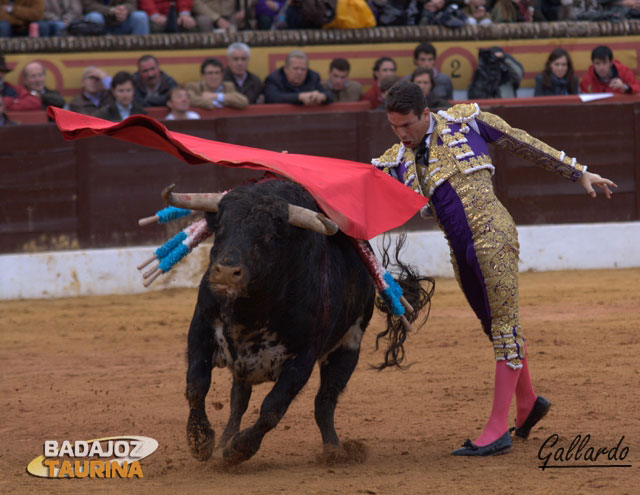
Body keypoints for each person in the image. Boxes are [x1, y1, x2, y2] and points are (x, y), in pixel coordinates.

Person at [374, 81, 616, 456]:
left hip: (494, 237)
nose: (401, 134)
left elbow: (521, 140)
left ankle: (497, 429)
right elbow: (362, 186)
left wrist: (576, 171)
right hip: (459, 249)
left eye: (406, 125)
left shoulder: (465, 121)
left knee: (505, 328)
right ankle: (529, 402)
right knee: (494, 326)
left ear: (425, 114)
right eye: (393, 127)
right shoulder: (397, 159)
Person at [263, 50, 332, 105]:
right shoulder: (274, 79)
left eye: (303, 69)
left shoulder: (313, 77)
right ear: (286, 69)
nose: (299, 73)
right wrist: (299, 97)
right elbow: (272, 98)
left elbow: (329, 95)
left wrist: (323, 96)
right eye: (295, 69)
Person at [82, 0, 150, 34]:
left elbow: (132, 3)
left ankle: (141, 55)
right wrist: (111, 11)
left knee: (140, 17)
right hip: (101, 21)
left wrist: (125, 9)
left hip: (122, 20)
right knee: (94, 17)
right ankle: (94, 54)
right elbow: (88, 5)